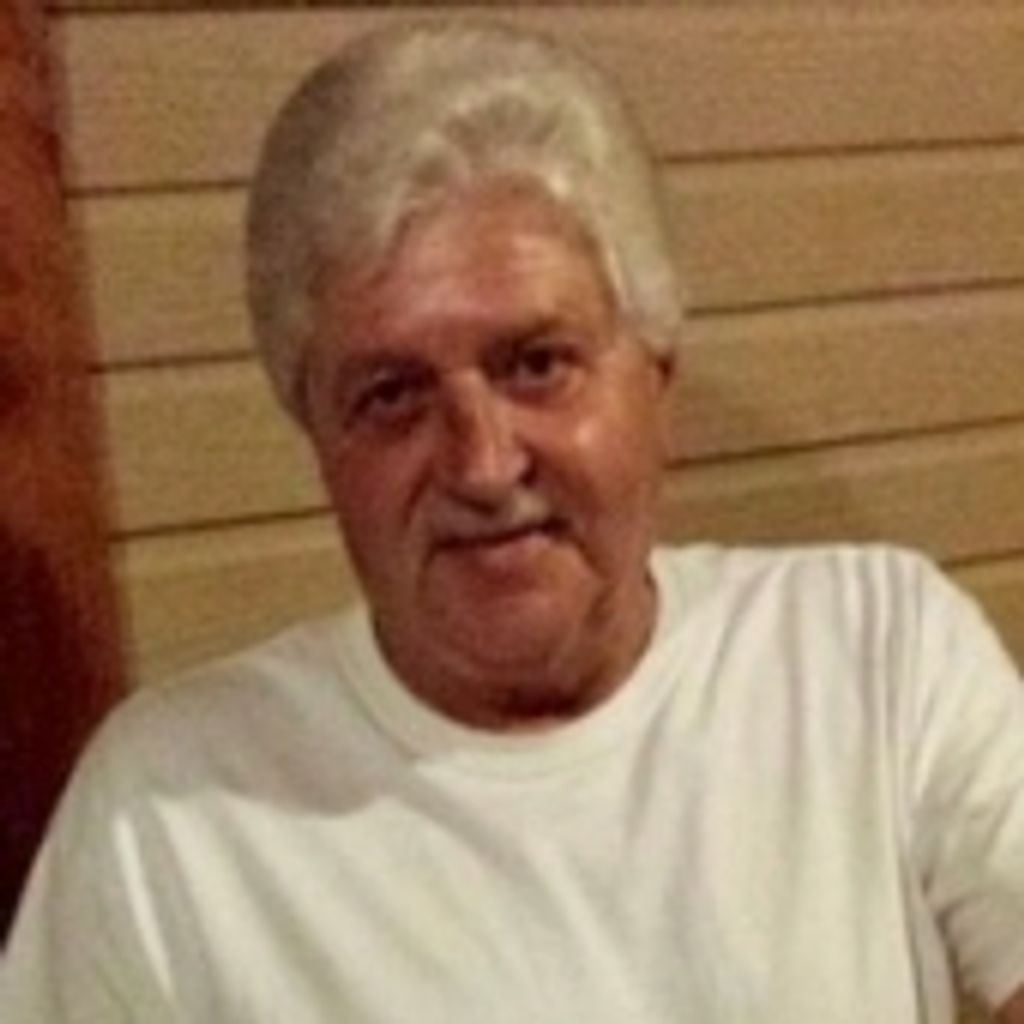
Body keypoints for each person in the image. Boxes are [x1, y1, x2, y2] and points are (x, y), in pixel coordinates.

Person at [3, 20, 1023, 1023]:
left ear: (655, 372)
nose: (483, 466)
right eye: (392, 394)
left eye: (537, 364)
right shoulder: (166, 816)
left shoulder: (874, 648)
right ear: (314, 431)